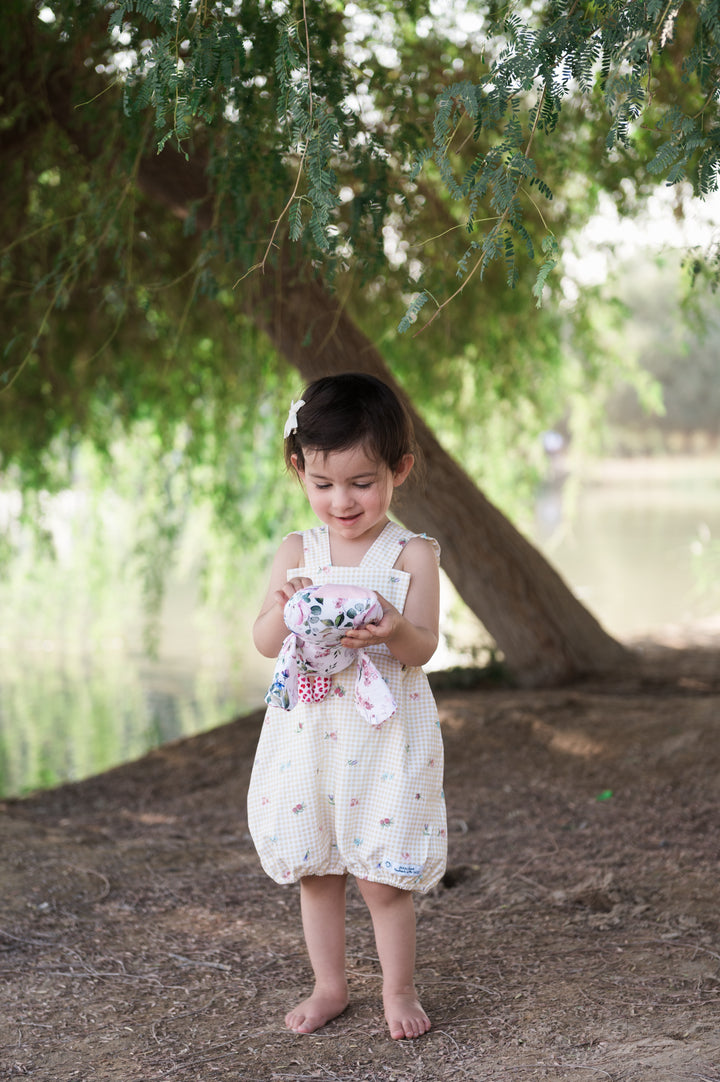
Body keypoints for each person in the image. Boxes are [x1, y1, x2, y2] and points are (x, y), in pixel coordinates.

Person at [247, 372, 447, 1041]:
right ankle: (329, 986)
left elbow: (422, 648)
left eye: (363, 482)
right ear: (299, 470)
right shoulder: (297, 552)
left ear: (399, 470)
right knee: (319, 866)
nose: (343, 500)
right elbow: (263, 640)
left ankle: (399, 988)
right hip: (310, 727)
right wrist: (280, 615)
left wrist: (393, 626)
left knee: (382, 875)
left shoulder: (412, 554)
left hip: (385, 730)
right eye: (324, 483)